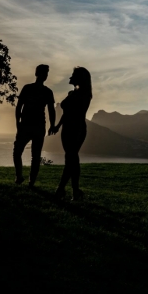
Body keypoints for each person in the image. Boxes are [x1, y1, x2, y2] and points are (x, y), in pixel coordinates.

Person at [49, 67, 93, 200]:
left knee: (71, 158)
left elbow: (77, 114)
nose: (70, 78)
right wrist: (57, 126)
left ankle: (62, 190)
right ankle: (74, 191)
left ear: (80, 78)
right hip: (67, 129)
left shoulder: (84, 94)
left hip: (77, 128)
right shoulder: (72, 93)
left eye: (73, 75)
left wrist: (68, 127)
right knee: (71, 159)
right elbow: (66, 113)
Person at [13, 64, 56, 187]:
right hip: (26, 125)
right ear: (37, 74)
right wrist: (18, 123)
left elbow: (51, 110)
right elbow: (19, 106)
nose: (45, 76)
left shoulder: (47, 91)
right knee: (18, 151)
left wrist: (52, 125)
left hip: (37, 126)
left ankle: (31, 181)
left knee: (35, 155)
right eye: (44, 73)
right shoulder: (27, 88)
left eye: (46, 73)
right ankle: (19, 176)